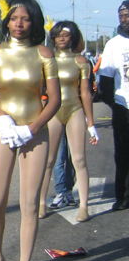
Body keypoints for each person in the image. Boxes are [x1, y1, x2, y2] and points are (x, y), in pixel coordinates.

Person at [0, 0, 61, 261]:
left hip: (34, 134)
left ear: (33, 21)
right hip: (3, 131)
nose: (19, 24)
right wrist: (2, 116)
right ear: (6, 21)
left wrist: (33, 127)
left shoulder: (44, 54)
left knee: (29, 204)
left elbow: (55, 99)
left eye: (25, 18)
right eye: (14, 18)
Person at [38, 22, 97, 222]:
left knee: (79, 159)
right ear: (53, 38)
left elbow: (85, 92)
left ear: (73, 37)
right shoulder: (47, 60)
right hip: (53, 111)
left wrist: (91, 123)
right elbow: (39, 89)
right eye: (58, 35)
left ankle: (84, 206)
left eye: (66, 35)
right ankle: (40, 204)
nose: (62, 38)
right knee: (48, 160)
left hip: (75, 109)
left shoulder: (81, 61)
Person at [97, 0, 129, 211]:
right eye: (121, 16)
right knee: (123, 155)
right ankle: (123, 197)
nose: (124, 19)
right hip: (123, 108)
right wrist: (114, 104)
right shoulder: (114, 44)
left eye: (127, 15)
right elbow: (105, 82)